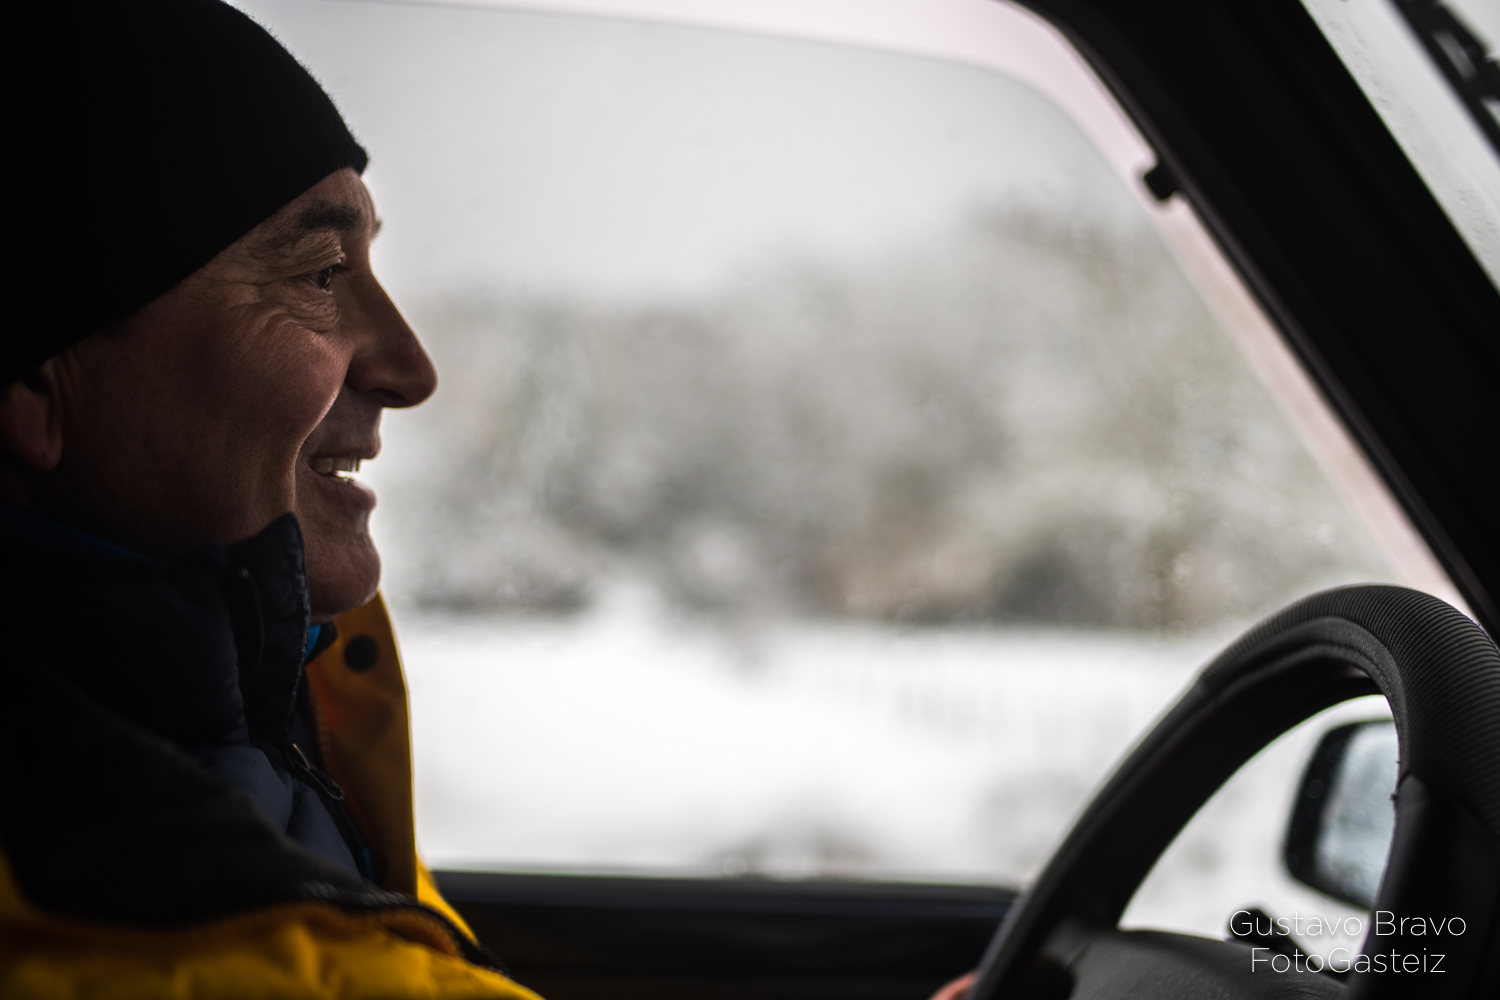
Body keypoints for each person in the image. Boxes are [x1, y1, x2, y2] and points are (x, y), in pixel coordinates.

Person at [0, 2, 536, 995]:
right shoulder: (103, 920)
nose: (412, 368)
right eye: (322, 273)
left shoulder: (275, 721)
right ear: (34, 384)